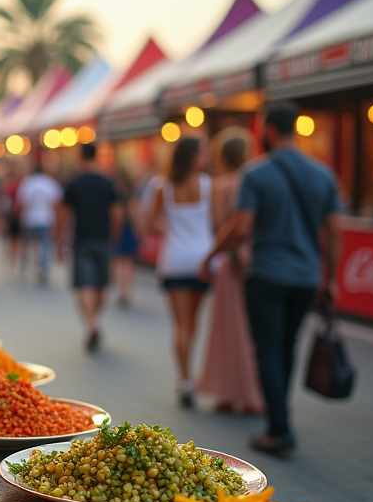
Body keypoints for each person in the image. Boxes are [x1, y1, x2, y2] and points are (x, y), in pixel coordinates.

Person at [201, 102, 341, 456]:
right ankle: (281, 415)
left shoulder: (256, 173)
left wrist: (212, 254)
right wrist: (332, 278)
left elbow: (241, 226)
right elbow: (336, 233)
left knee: (267, 351)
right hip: (306, 276)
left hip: (266, 274)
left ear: (270, 130)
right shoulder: (324, 174)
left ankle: (279, 429)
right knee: (287, 346)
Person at [195, 129, 264, 415]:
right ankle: (253, 393)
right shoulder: (254, 179)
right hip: (254, 260)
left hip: (229, 261)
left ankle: (226, 392)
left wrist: (225, 253)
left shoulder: (218, 185)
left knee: (225, 330)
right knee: (251, 331)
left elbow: (219, 225)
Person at [149, 136, 215, 407]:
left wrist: (172, 231)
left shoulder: (164, 186)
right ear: (192, 157)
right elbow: (218, 222)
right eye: (202, 153)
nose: (207, 157)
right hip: (202, 259)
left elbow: (151, 224)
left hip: (175, 259)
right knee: (194, 322)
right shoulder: (209, 186)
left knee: (180, 324)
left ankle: (185, 378)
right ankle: (191, 376)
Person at [56, 142, 122, 351]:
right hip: (102, 239)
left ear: (80, 156)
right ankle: (96, 322)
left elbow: (63, 214)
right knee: (101, 285)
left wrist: (59, 240)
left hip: (81, 240)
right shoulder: (107, 182)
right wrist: (114, 236)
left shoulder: (73, 183)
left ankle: (91, 323)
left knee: (84, 285)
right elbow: (118, 214)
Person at [16, 166, 63, 284]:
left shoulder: (27, 183)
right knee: (45, 245)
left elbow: (22, 202)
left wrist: (21, 217)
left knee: (26, 243)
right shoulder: (50, 183)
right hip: (46, 219)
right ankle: (43, 268)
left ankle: (24, 262)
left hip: (29, 219)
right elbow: (56, 203)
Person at [112, 167, 140, 306]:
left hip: (118, 229)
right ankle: (125, 290)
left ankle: (121, 290)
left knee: (118, 261)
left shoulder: (116, 194)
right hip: (127, 229)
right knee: (127, 261)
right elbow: (135, 214)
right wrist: (139, 230)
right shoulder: (130, 195)